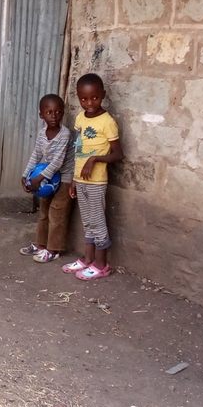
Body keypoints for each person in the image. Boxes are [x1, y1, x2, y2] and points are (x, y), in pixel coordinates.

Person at [61, 74, 123, 280]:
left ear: (102, 95)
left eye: (94, 98)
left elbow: (118, 154)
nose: (89, 103)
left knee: (97, 221)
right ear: (79, 98)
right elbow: (78, 149)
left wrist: (95, 159)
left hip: (96, 182)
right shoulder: (80, 118)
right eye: (84, 99)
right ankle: (88, 259)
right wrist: (74, 179)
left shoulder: (107, 122)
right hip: (81, 180)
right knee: (87, 221)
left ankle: (101, 265)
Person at [19, 93, 74, 263]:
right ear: (41, 115)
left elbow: (58, 161)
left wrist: (38, 179)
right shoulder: (42, 133)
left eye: (58, 112)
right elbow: (36, 154)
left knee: (57, 211)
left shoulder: (64, 134)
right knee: (44, 211)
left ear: (62, 113)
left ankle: (53, 249)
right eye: (49, 112)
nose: (54, 116)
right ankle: (40, 245)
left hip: (64, 176)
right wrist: (26, 175)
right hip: (49, 176)